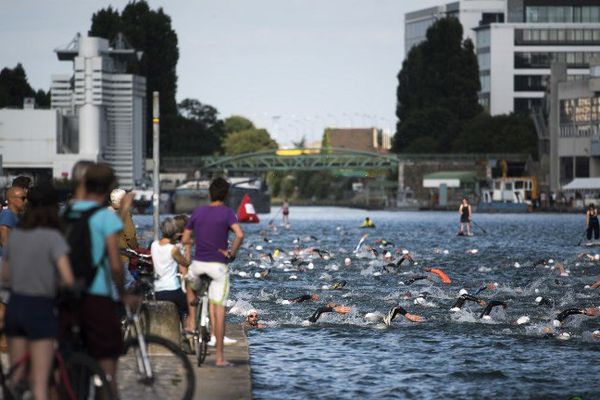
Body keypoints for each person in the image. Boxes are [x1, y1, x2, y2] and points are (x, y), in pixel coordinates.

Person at [64, 162, 139, 397]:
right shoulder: (105, 219)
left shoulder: (65, 213)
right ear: (107, 188)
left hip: (68, 296)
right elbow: (117, 266)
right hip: (97, 296)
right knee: (107, 366)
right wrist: (124, 294)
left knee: (69, 360)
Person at [1, 184, 74, 400]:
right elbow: (67, 278)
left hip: (16, 306)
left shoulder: (17, 236)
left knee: (16, 378)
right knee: (40, 385)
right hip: (40, 308)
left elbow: (5, 275)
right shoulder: (54, 238)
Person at [183, 177, 244, 367]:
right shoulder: (227, 213)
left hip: (198, 264)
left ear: (209, 193)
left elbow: (186, 237)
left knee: (190, 286)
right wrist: (231, 252)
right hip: (218, 267)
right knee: (219, 311)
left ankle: (192, 321)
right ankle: (219, 358)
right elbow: (239, 234)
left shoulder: (198, 212)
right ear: (226, 195)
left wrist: (190, 248)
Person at [151, 218, 190, 325]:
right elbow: (185, 263)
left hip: (158, 290)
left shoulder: (154, 245)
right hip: (172, 289)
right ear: (175, 233)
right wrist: (187, 247)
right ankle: (187, 332)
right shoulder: (173, 249)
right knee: (190, 307)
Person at [0, 186, 28, 257]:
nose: (26, 201)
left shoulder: (16, 216)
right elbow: (4, 233)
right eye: (23, 198)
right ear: (11, 199)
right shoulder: (8, 214)